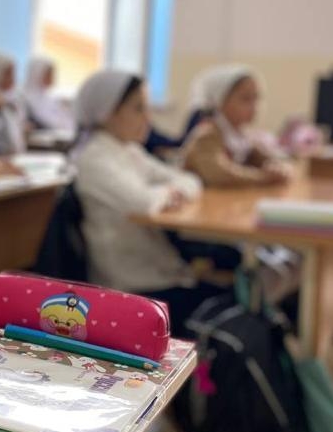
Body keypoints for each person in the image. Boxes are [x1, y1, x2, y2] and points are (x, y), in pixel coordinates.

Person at [73, 69, 226, 338]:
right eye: (138, 108)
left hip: (161, 273)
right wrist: (167, 193)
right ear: (107, 112)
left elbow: (190, 180)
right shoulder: (95, 158)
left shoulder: (128, 150)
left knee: (234, 298)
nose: (148, 118)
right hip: (132, 289)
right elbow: (144, 203)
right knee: (230, 303)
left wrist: (167, 192)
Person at [181, 65, 290, 187]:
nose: (254, 106)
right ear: (220, 101)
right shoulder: (208, 134)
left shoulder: (241, 135)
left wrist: (280, 168)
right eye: (246, 99)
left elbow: (266, 158)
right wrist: (264, 177)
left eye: (256, 98)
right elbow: (219, 175)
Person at [0, 54, 27, 156]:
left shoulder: (13, 98)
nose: (12, 78)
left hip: (14, 156)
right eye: (8, 73)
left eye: (13, 73)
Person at [23, 56, 75, 134]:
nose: (52, 77)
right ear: (37, 73)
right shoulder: (25, 100)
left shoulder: (51, 99)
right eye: (48, 74)